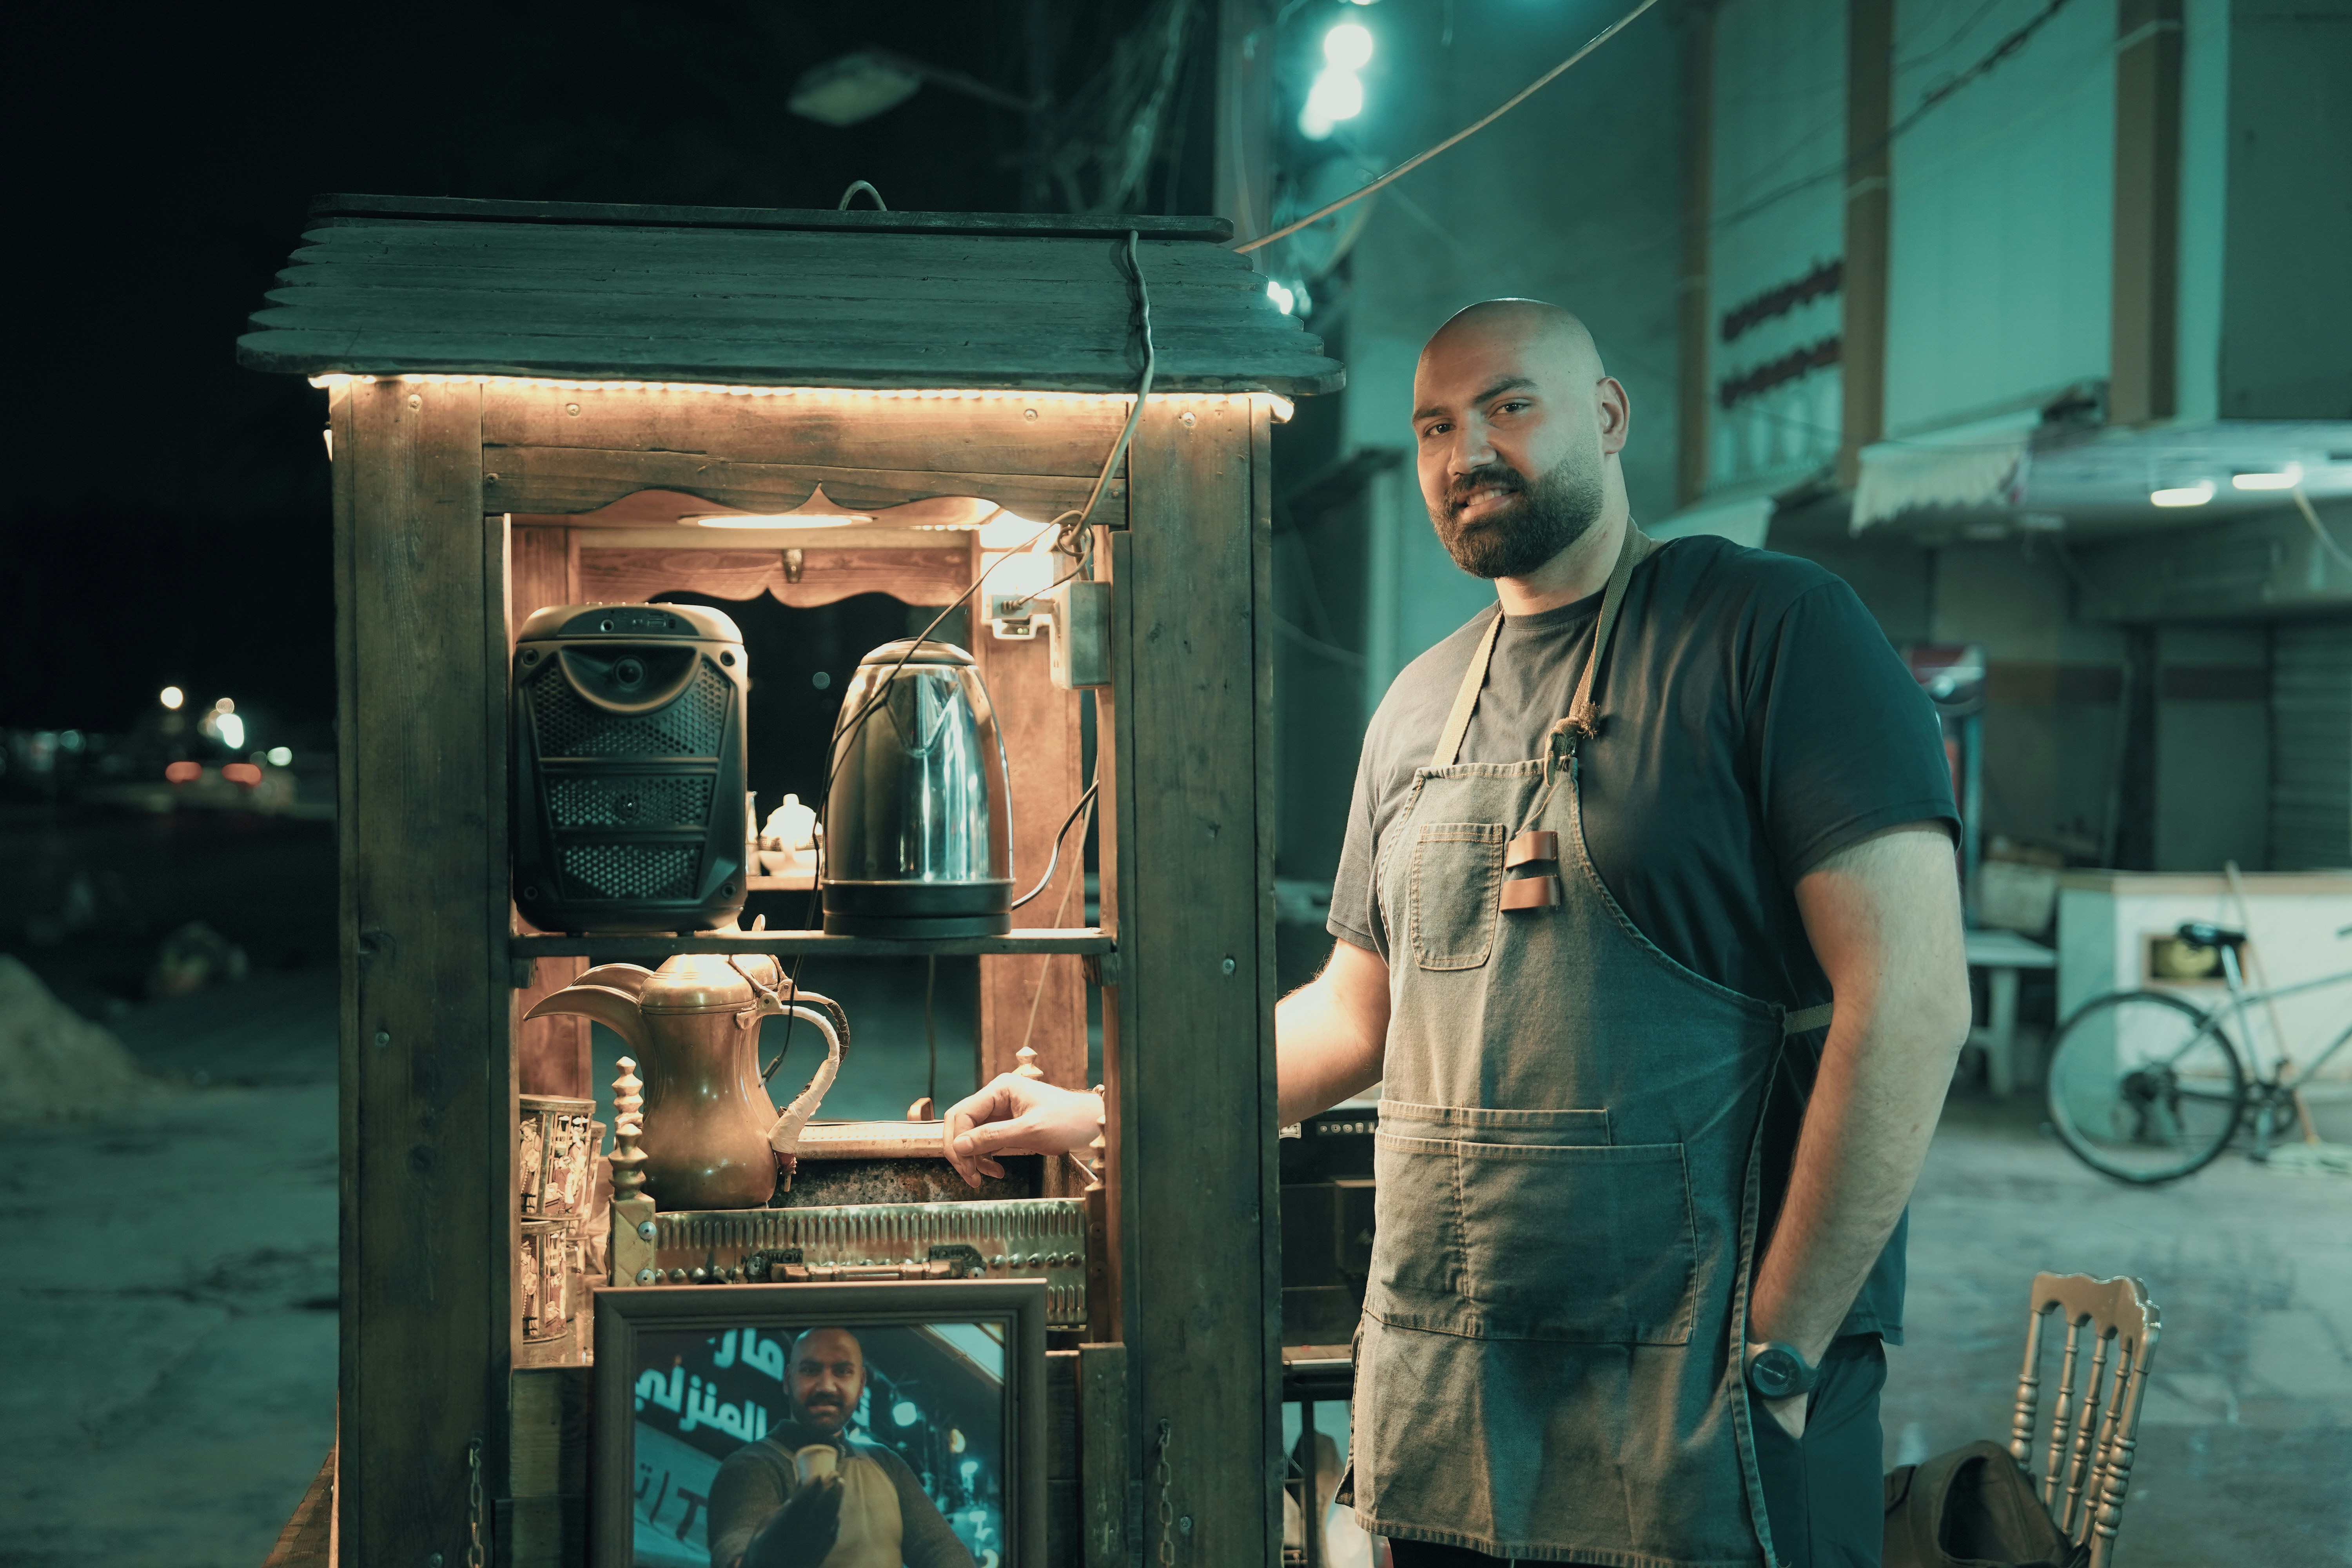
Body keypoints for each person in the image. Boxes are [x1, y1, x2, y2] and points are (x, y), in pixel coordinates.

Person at [942, 299, 1970, 1567]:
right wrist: (1109, 1112)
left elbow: (1913, 1002)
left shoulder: (1772, 633)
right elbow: (1352, 1019)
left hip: (1705, 1383)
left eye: (1509, 407)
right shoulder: (1421, 705)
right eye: (1434, 424)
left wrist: (1784, 1342)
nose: (1464, 449)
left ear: (1607, 416)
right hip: (1462, 1382)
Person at [704, 1326, 973, 1568]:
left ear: (861, 1385)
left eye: (843, 1371)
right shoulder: (752, 1465)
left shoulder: (887, 1464)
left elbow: (941, 1549)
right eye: (810, 1370)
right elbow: (735, 1545)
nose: (827, 1386)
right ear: (788, 1380)